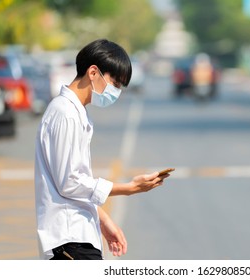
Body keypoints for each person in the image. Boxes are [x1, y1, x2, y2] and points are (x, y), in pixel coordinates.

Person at [34, 39, 170, 260]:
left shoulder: (75, 112)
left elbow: (71, 183)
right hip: (69, 241)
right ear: (93, 72)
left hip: (77, 237)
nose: (116, 92)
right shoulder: (65, 113)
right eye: (115, 83)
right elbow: (70, 182)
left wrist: (102, 219)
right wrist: (130, 188)